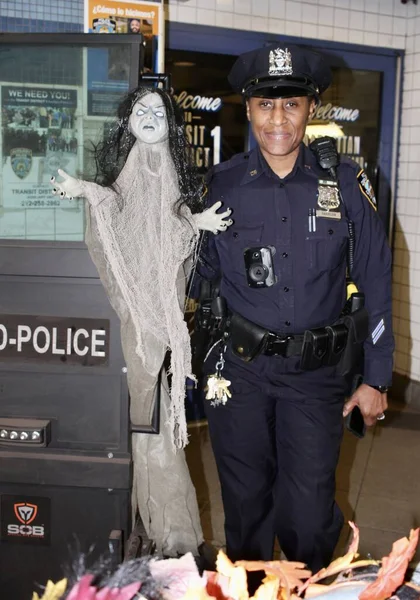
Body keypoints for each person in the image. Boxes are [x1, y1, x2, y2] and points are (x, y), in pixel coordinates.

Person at [195, 43, 393, 573]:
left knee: (307, 517)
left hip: (316, 373)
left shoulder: (346, 185)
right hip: (241, 369)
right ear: (249, 108)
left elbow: (375, 277)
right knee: (246, 508)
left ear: (310, 109)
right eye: (265, 104)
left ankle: (306, 585)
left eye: (291, 104)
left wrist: (376, 377)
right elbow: (198, 277)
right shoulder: (221, 186)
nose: (277, 119)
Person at [50, 84, 232, 558]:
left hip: (163, 326)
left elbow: (167, 231)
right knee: (137, 426)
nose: (149, 116)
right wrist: (84, 189)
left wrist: (195, 223)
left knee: (156, 432)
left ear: (171, 123)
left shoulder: (168, 171)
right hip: (134, 325)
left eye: (158, 111)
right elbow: (116, 212)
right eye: (140, 109)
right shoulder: (129, 170)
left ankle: (167, 536)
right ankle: (139, 527)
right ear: (127, 120)